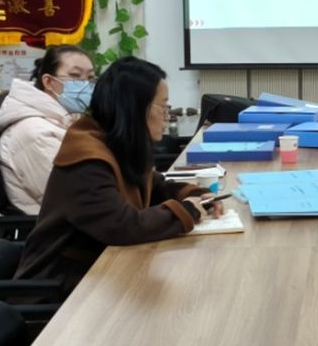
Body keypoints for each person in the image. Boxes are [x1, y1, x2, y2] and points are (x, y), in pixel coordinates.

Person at [14, 56, 222, 295]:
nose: (168, 116)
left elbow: (154, 185)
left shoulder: (116, 142)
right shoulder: (87, 158)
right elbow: (122, 226)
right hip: (62, 288)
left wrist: (194, 193)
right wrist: (186, 211)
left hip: (102, 272)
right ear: (136, 108)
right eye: (163, 107)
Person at [0, 45, 96, 215]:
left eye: (90, 78)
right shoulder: (34, 134)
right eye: (75, 76)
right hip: (63, 226)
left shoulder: (67, 120)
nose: (85, 84)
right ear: (48, 82)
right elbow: (73, 196)